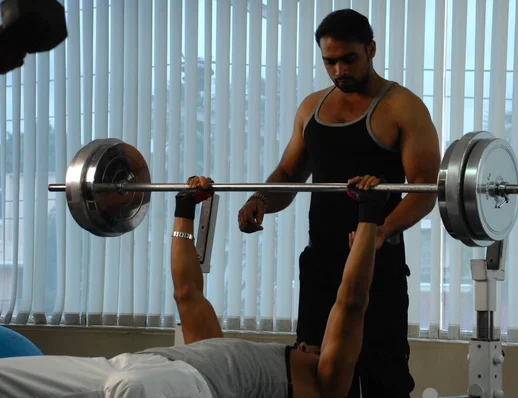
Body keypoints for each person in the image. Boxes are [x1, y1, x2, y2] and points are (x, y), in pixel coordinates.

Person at [0, 174, 392, 398]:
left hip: (181, 388)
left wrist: (369, 215)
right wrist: (185, 207)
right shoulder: (219, 350)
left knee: (131, 388)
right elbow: (187, 290)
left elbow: (351, 301)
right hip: (136, 364)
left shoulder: (328, 386)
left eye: (318, 345)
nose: (312, 343)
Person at [237, 8, 440, 397]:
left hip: (377, 265)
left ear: (371, 49)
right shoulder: (312, 107)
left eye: (349, 59)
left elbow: (424, 189)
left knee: (384, 379)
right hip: (322, 265)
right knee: (315, 379)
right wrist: (260, 199)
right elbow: (287, 174)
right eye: (329, 61)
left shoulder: (402, 107)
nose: (339, 70)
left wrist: (385, 229)